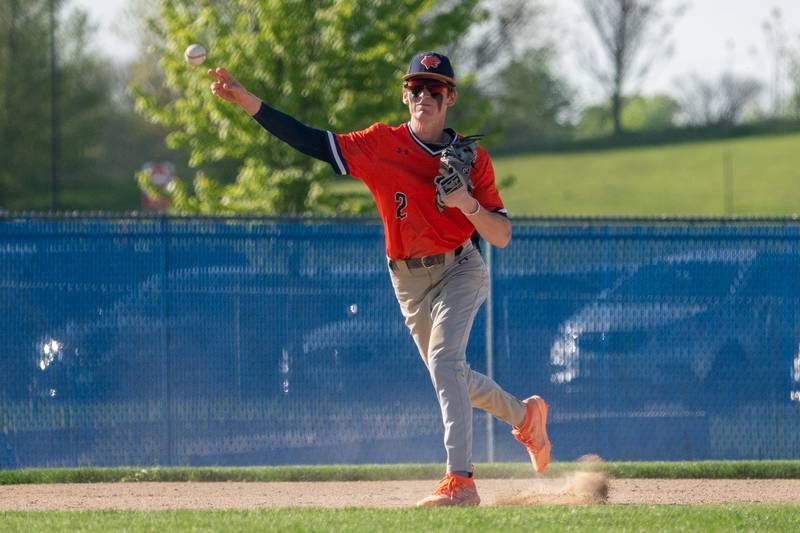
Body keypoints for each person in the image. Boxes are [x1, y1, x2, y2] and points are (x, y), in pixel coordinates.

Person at [209, 51, 551, 507]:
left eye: (434, 89)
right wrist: (250, 102)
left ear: (449, 98)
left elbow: (501, 236)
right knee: (451, 374)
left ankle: (460, 482)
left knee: (446, 366)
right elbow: (311, 140)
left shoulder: (473, 159)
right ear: (404, 95)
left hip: (459, 268)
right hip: (407, 281)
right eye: (415, 87)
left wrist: (467, 203)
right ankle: (526, 416)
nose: (423, 95)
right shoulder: (378, 145)